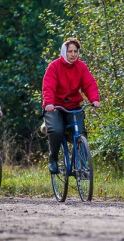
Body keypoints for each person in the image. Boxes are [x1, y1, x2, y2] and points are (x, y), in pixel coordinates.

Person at [42, 38, 101, 174]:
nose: (73, 54)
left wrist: (94, 99)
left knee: (81, 134)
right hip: (55, 106)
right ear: (64, 52)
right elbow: (48, 87)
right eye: (70, 51)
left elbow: (89, 84)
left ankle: (82, 166)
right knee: (56, 131)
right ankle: (53, 158)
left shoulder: (81, 67)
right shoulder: (54, 67)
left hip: (74, 106)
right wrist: (49, 103)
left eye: (75, 51)